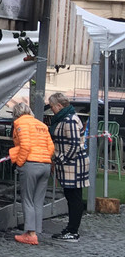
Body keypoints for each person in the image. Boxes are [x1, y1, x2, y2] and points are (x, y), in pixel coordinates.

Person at [9, 101, 54, 245]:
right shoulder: (41, 125)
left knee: (27, 199)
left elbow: (25, 145)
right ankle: (36, 230)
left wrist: (20, 162)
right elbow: (51, 147)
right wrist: (45, 158)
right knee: (38, 201)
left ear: (16, 113)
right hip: (45, 165)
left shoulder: (19, 123)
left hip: (30, 164)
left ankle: (30, 234)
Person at [47, 92, 88, 242]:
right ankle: (71, 229)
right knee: (72, 197)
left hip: (73, 164)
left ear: (59, 105)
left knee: (74, 197)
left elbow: (74, 145)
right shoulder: (68, 118)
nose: (51, 109)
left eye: (52, 106)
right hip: (72, 163)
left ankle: (73, 231)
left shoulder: (69, 120)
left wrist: (61, 159)